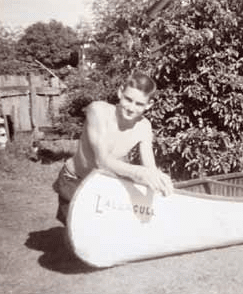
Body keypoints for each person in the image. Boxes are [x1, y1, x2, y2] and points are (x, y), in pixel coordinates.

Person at [53, 71, 173, 225]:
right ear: (120, 92)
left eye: (139, 104)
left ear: (149, 105)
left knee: (108, 231)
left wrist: (159, 178)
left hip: (103, 182)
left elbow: (149, 167)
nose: (131, 108)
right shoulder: (98, 111)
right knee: (80, 234)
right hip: (74, 181)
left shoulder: (144, 127)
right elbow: (101, 161)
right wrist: (139, 172)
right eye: (128, 99)